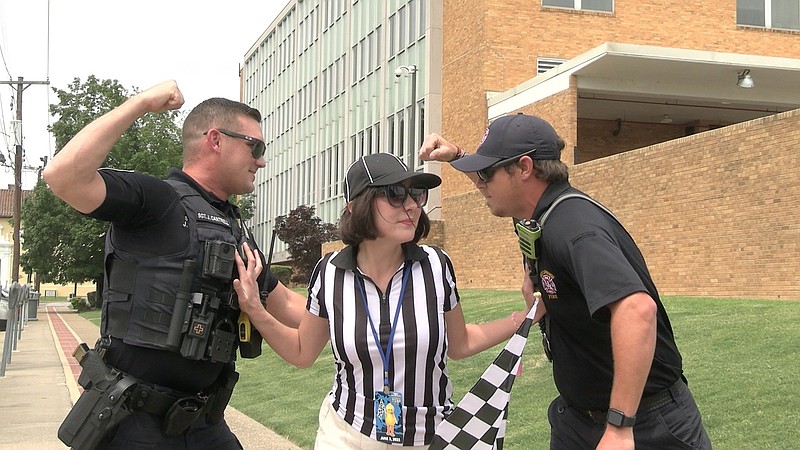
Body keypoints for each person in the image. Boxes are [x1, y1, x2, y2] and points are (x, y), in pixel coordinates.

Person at [418, 113, 712, 450]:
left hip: (647, 425)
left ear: (524, 168)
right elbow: (501, 192)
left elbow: (636, 309)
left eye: (487, 172)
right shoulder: (536, 212)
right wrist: (459, 157)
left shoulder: (574, 228)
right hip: (578, 419)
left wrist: (619, 427)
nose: (480, 183)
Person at [44, 80, 306, 449]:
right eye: (255, 146)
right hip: (133, 425)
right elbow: (62, 177)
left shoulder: (235, 229)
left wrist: (368, 308)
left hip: (204, 424)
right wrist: (140, 104)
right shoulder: (157, 202)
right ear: (216, 140)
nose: (261, 159)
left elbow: (291, 306)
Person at [235, 153, 541, 449]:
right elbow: (303, 351)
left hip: (429, 437)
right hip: (346, 435)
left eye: (416, 194)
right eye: (395, 194)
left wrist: (523, 318)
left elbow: (459, 343)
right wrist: (255, 310)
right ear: (356, 206)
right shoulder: (330, 273)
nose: (411, 205)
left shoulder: (436, 265)